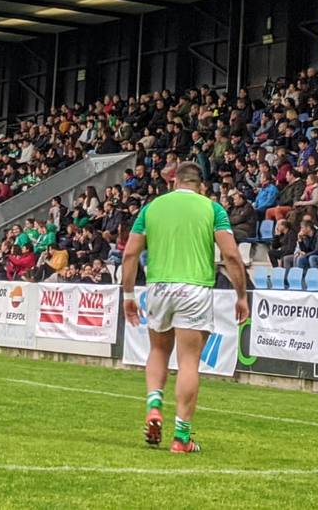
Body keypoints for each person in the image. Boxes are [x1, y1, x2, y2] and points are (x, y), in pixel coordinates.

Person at [121, 162, 248, 454]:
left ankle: (154, 404)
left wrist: (128, 294)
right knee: (189, 361)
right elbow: (230, 254)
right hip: (194, 287)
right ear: (201, 185)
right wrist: (241, 295)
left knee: (158, 351)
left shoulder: (152, 208)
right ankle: (181, 437)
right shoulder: (212, 209)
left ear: (173, 182)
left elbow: (129, 253)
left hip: (159, 286)